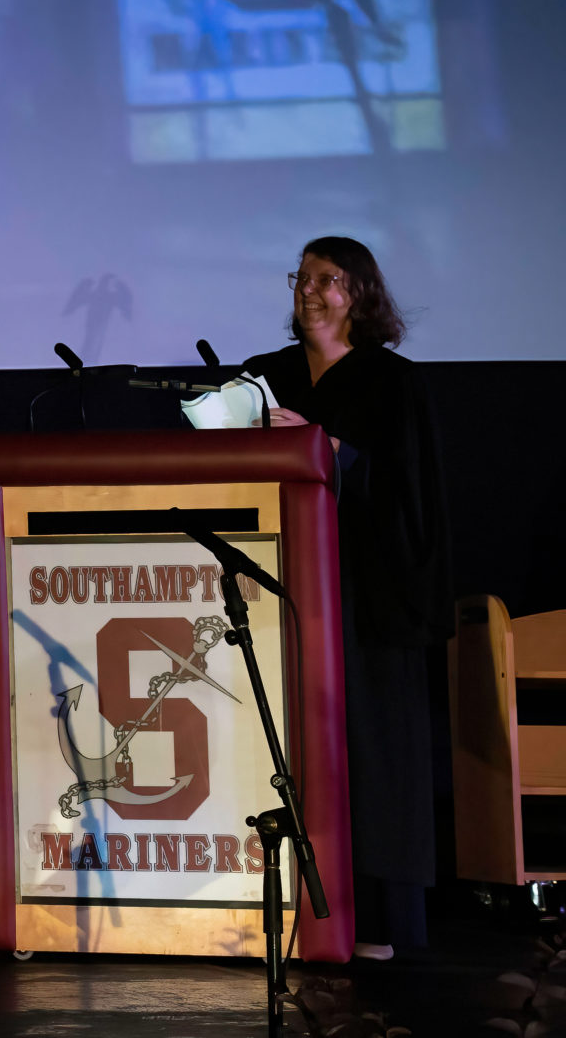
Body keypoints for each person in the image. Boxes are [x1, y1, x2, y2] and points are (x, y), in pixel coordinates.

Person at [243, 238, 451, 960]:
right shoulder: (263, 377)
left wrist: (332, 453)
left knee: (370, 747)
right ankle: (279, 912)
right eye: (302, 276)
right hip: (277, 586)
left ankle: (377, 922)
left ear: (361, 292)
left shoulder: (393, 382)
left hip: (367, 592)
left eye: (328, 278)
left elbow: (410, 493)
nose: (311, 289)